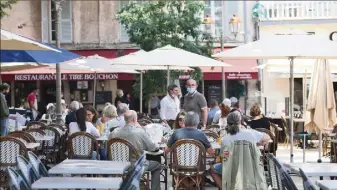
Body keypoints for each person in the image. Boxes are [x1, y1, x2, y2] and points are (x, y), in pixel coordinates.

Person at [109, 110, 162, 190]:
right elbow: (153, 147)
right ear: (134, 119)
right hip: (135, 166)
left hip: (117, 165)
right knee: (157, 164)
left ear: (125, 119)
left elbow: (109, 145)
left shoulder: (114, 132)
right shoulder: (139, 132)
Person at [212, 111, 270, 176]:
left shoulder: (225, 139)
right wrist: (257, 144)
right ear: (240, 122)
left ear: (227, 124)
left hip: (232, 169)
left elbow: (224, 158)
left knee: (213, 169)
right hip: (250, 167)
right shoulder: (250, 133)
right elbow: (267, 137)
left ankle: (224, 186)